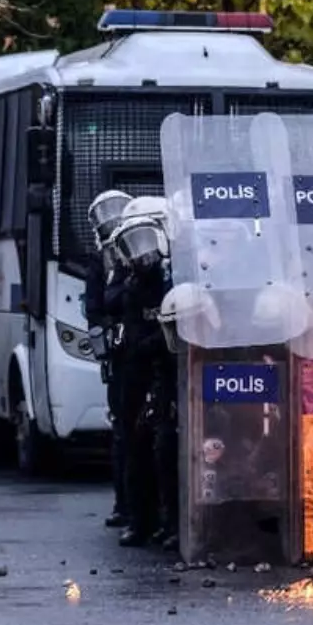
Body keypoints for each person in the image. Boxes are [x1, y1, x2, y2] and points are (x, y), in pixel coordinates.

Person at [109, 213, 173, 547]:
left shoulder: (170, 280)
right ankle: (140, 520)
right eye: (134, 247)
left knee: (166, 449)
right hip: (137, 375)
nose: (142, 254)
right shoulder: (131, 286)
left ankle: (170, 522)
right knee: (136, 447)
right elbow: (134, 335)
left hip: (167, 373)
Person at [83, 189, 133, 529]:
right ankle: (124, 504)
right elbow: (94, 308)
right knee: (123, 433)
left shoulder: (141, 256)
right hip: (121, 359)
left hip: (143, 354)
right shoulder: (99, 263)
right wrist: (110, 331)